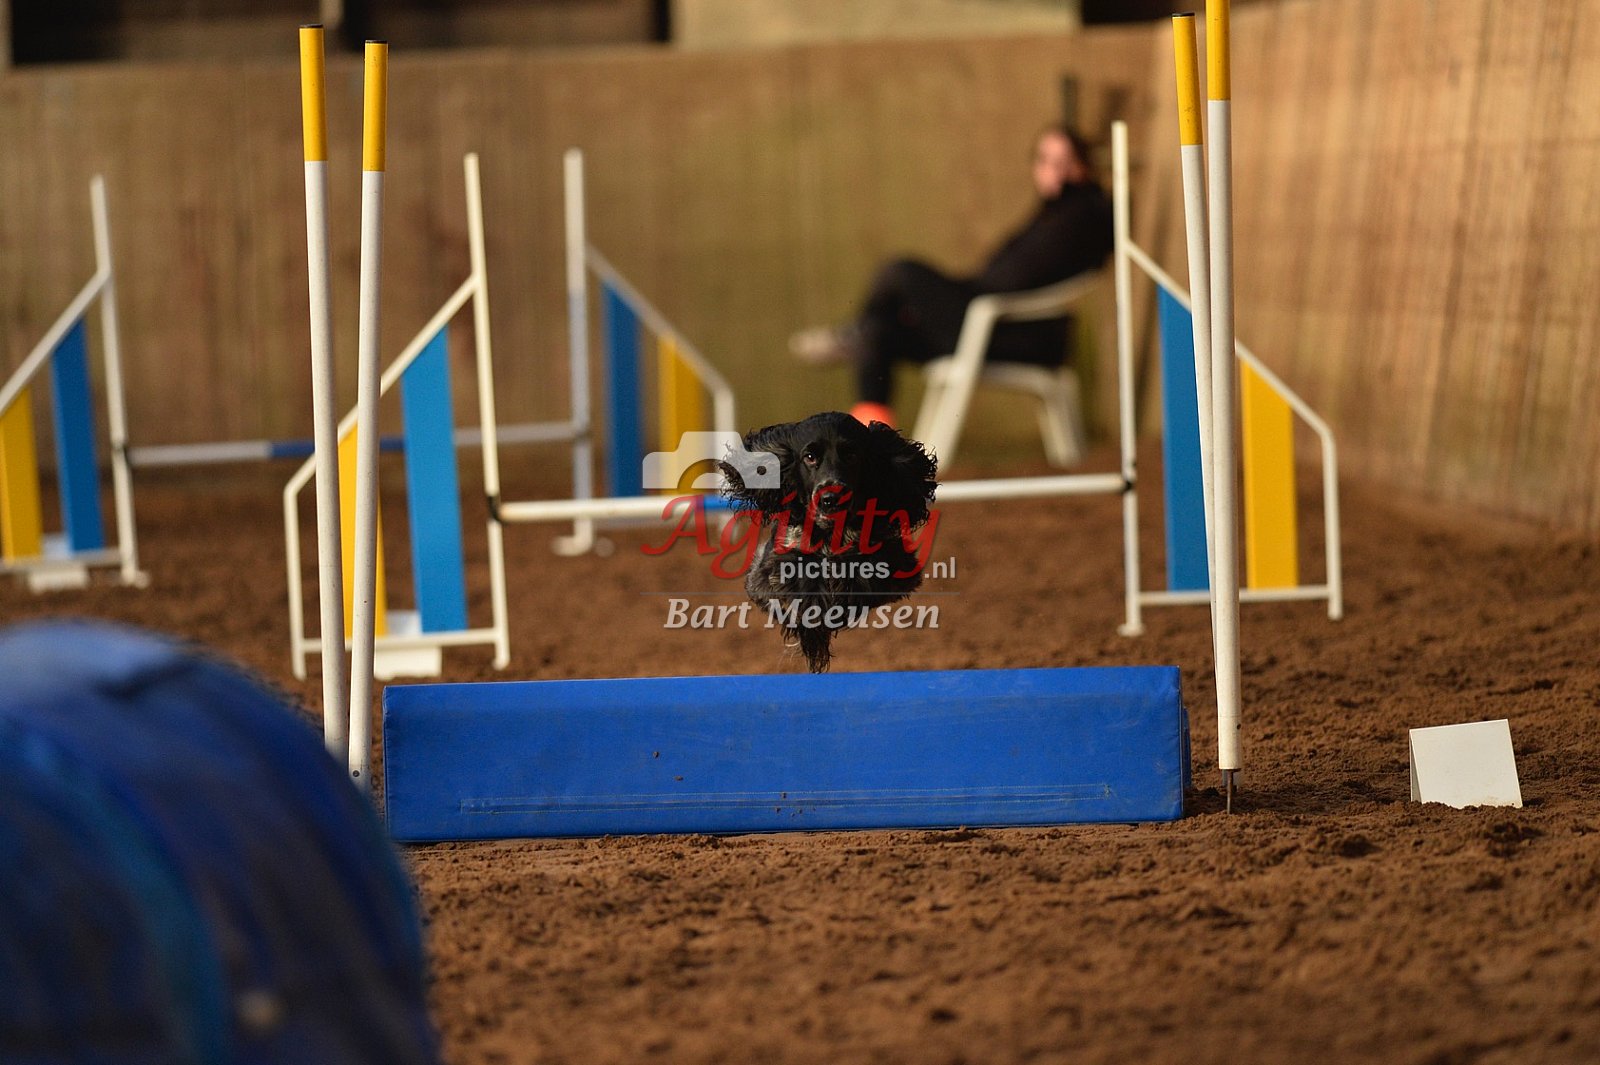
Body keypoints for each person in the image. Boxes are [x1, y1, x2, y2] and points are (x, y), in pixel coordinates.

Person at [789, 124, 1114, 428]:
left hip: (1011, 333)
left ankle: (850, 335)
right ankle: (871, 439)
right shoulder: (1050, 215)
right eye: (1045, 159)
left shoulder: (1081, 214)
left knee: (900, 271)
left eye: (1064, 161)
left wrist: (944, 298)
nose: (1054, 170)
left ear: (1082, 165)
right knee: (878, 332)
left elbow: (1013, 281)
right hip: (983, 320)